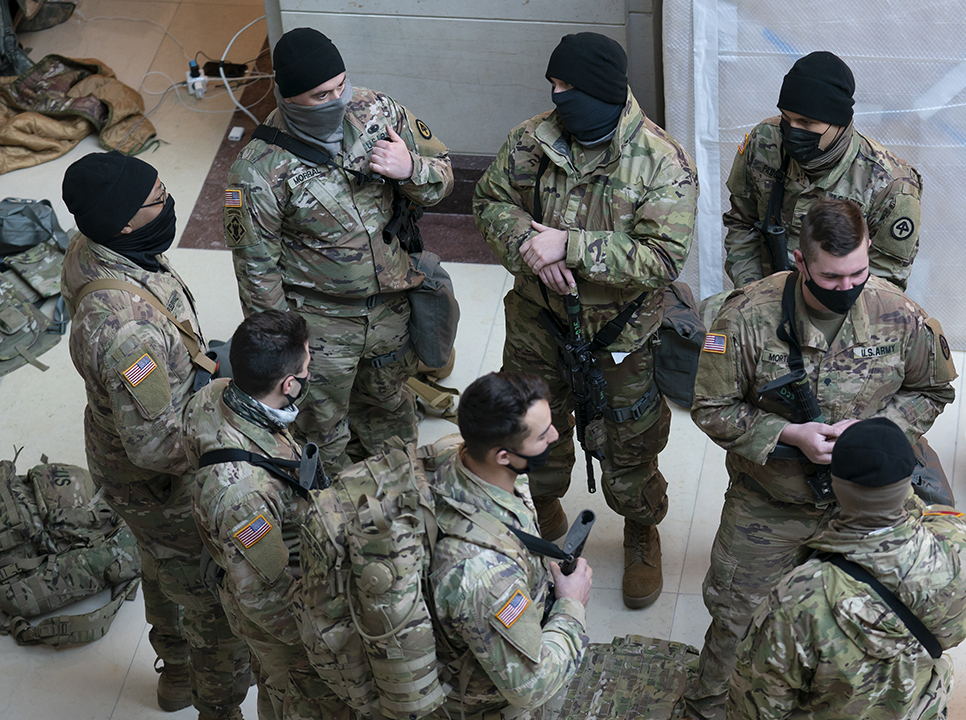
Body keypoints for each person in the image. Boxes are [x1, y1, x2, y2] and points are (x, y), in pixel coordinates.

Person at [685, 198, 957, 720]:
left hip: (865, 507)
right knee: (735, 619)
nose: (848, 286)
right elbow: (710, 407)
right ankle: (708, 708)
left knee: (869, 623)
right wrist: (789, 434)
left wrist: (875, 433)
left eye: (859, 271)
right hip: (771, 501)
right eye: (832, 277)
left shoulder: (899, 315)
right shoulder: (744, 317)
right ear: (799, 260)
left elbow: (933, 389)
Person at [472, 31, 697, 608]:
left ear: (604, 91)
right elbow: (491, 202)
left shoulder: (660, 162)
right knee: (531, 427)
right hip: (537, 323)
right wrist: (529, 246)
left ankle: (640, 528)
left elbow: (663, 257)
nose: (557, 95)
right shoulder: (531, 140)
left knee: (629, 437)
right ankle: (544, 511)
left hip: (620, 334)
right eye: (554, 83)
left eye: (568, 85)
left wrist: (571, 247)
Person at [60, 152, 251, 719]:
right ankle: (218, 703)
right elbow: (154, 445)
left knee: (160, 563)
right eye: (158, 201)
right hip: (157, 477)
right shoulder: (128, 331)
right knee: (204, 591)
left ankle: (175, 672)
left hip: (122, 445)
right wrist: (230, 434)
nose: (170, 205)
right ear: (122, 222)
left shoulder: (93, 247)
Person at [225, 27, 454, 470]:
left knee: (391, 411)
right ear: (288, 97)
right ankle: (332, 521)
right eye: (320, 95)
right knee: (321, 432)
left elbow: (442, 174)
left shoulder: (378, 112)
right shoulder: (257, 170)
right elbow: (257, 272)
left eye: (341, 86)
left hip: (391, 307)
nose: (337, 100)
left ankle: (400, 504)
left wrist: (411, 169)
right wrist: (289, 348)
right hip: (320, 323)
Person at [728, 418, 966, 720]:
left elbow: (757, 707)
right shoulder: (958, 542)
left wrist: (860, 450)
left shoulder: (800, 596)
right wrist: (879, 452)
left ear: (835, 486)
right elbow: (952, 633)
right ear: (906, 481)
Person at [182, 310, 350, 720]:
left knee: (275, 688)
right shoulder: (245, 497)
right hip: (285, 625)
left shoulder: (216, 392)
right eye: (307, 367)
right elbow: (264, 596)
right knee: (296, 694)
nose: (309, 373)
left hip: (252, 559)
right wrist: (324, 643)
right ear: (288, 384)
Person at [430, 372, 593, 719]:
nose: (555, 435)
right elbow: (529, 687)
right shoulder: (486, 578)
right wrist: (571, 605)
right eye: (542, 434)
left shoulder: (453, 454)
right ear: (504, 456)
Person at [722, 51, 922, 290]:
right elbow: (742, 223)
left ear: (840, 122)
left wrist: (818, 313)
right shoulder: (764, 141)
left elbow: (884, 283)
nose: (792, 130)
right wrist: (756, 296)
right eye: (787, 118)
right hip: (766, 298)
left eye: (806, 123)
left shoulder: (891, 185)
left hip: (843, 310)